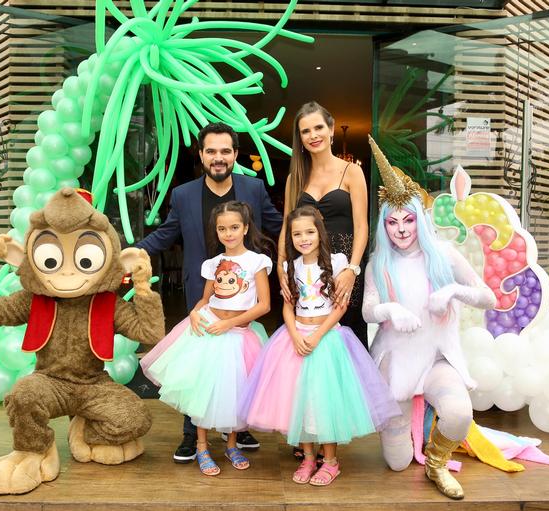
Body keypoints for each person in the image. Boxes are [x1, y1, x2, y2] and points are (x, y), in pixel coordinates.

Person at [136, 122, 282, 463]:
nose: (219, 158)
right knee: (197, 366)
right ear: (201, 155)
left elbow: (279, 227)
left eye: (225, 151)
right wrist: (132, 254)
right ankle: (192, 433)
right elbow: (165, 234)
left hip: (244, 298)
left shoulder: (254, 188)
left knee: (238, 367)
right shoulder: (184, 195)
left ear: (235, 155)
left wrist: (319, 246)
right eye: (211, 151)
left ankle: (238, 427)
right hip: (203, 295)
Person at [362, 137, 496, 500]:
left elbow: (488, 297)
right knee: (397, 462)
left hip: (437, 358)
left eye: (408, 219)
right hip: (397, 363)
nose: (402, 229)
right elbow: (367, 309)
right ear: (384, 226)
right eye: (392, 222)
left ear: (420, 219)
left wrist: (453, 292)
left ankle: (436, 463)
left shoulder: (445, 255)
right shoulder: (378, 264)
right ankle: (401, 429)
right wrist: (389, 310)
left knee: (458, 413)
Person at [241, 206, 397, 486]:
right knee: (297, 400)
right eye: (297, 233)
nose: (304, 238)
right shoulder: (290, 266)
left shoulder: (337, 262)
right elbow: (288, 308)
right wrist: (294, 334)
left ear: (320, 233)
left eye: (309, 232)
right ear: (290, 237)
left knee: (325, 401)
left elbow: (340, 307)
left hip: (327, 338)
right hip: (296, 338)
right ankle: (308, 458)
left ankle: (331, 461)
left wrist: (317, 336)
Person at [140, 201, 272, 476]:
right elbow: (204, 299)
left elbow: (263, 305)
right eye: (222, 228)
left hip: (238, 334)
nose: (228, 233)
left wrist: (230, 323)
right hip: (209, 330)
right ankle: (201, 446)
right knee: (203, 391)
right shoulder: (212, 264)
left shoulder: (257, 261)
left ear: (245, 228)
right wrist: (194, 313)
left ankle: (232, 444)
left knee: (236, 393)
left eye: (234, 227)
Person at [278, 101, 369, 352]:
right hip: (304, 270)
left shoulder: (351, 172)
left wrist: (352, 269)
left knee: (341, 343)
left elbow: (362, 227)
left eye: (318, 127)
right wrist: (280, 267)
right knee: (301, 340)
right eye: (305, 131)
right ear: (300, 138)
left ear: (331, 129)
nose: (313, 135)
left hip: (343, 272)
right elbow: (286, 228)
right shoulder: (294, 178)